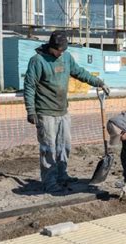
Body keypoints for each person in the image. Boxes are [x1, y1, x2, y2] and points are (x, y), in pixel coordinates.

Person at [24, 30, 110, 193]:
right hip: (45, 112)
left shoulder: (66, 57)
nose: (61, 53)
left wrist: (98, 82)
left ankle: (62, 174)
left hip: (63, 111)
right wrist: (31, 111)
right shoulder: (38, 61)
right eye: (59, 50)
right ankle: (49, 181)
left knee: (65, 145)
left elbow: (79, 72)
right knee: (48, 148)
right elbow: (29, 86)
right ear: (51, 47)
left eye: (63, 49)